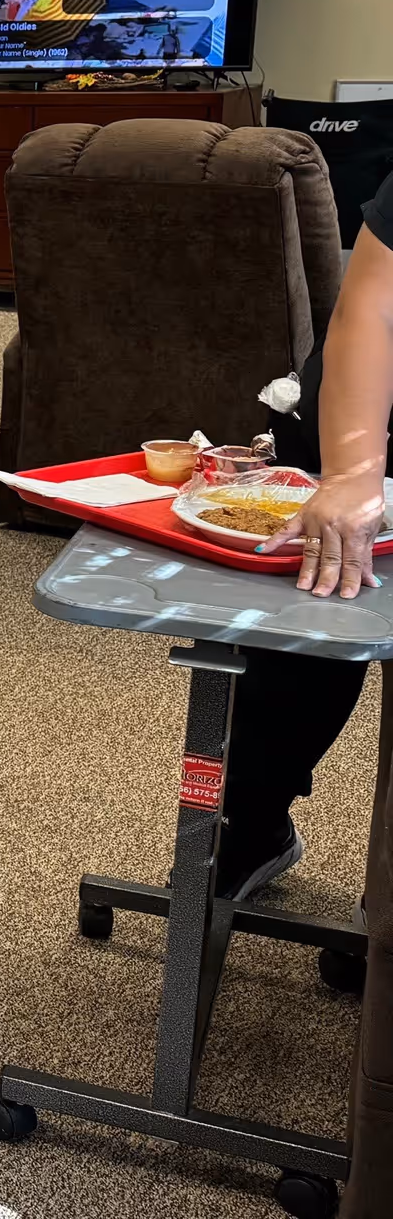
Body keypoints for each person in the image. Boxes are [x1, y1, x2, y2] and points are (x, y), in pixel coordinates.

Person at [253, 170, 393, 1218]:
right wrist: (351, 465)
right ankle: (247, 829)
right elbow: (375, 292)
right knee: (311, 642)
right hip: (363, 425)